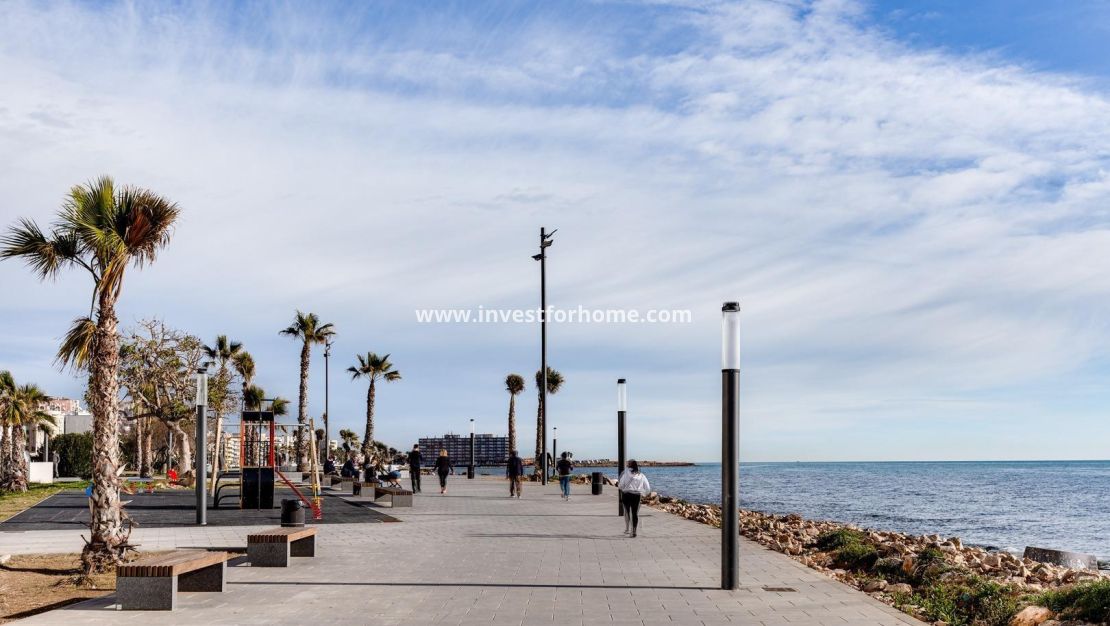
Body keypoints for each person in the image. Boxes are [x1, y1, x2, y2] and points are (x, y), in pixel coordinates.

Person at [617, 459, 650, 537]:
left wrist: (622, 488)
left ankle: (627, 529)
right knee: (635, 513)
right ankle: (634, 531)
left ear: (629, 465)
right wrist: (643, 494)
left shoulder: (625, 474)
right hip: (637, 495)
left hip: (626, 494)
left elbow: (620, 485)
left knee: (627, 512)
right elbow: (648, 488)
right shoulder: (641, 475)